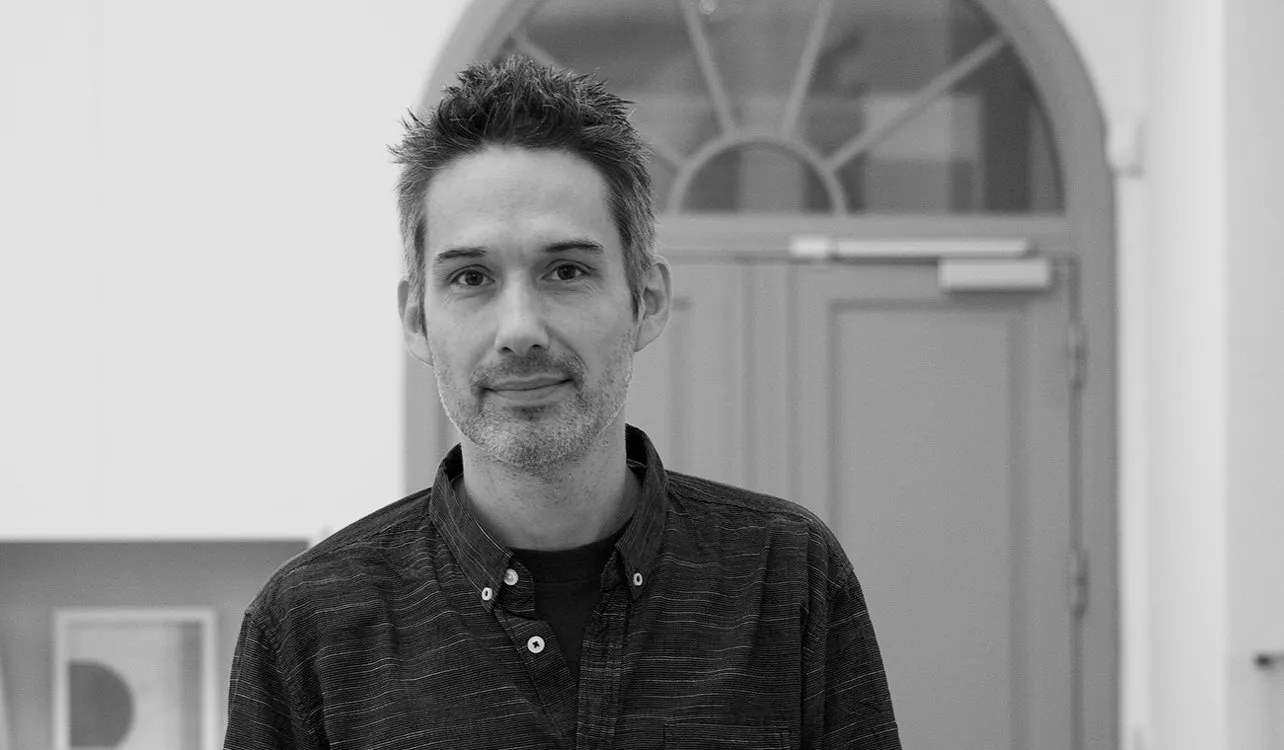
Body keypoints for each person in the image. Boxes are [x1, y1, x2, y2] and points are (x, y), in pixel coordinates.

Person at [224, 56, 902, 749]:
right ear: (417, 319)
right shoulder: (309, 624)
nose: (520, 330)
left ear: (647, 300)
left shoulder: (786, 577)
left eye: (567, 270)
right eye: (471, 277)